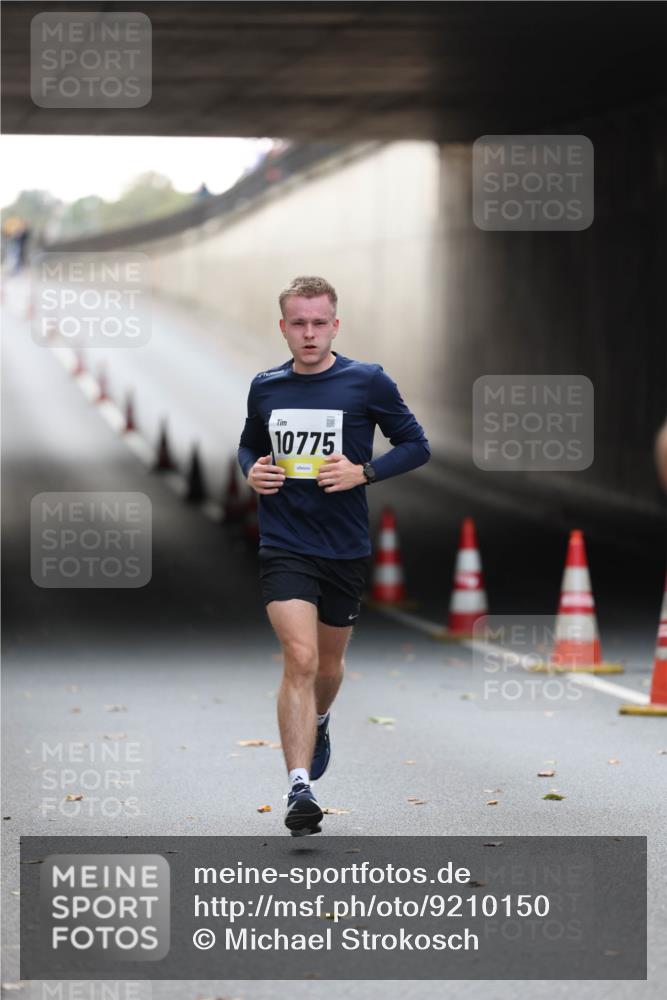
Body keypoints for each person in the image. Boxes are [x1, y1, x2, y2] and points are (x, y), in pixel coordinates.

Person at [237, 276, 430, 836]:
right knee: (298, 659)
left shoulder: (367, 382)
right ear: (283, 328)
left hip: (344, 548)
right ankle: (300, 786)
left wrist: (363, 471)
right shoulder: (266, 387)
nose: (309, 333)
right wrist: (251, 469)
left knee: (327, 664)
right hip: (284, 544)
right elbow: (250, 442)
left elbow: (417, 445)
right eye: (298, 323)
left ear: (335, 326)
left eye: (319, 322)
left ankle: (320, 719)